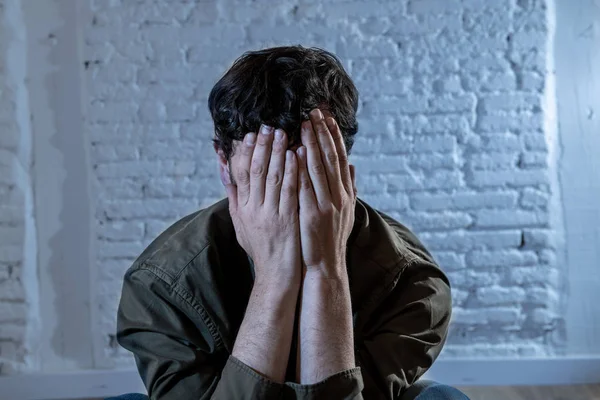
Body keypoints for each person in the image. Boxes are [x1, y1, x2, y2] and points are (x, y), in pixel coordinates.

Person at [117, 46, 453, 399]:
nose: (285, 207)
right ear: (223, 164)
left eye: (308, 177)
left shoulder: (412, 284)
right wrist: (276, 276)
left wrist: (326, 270)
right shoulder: (161, 286)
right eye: (265, 180)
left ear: (343, 175)